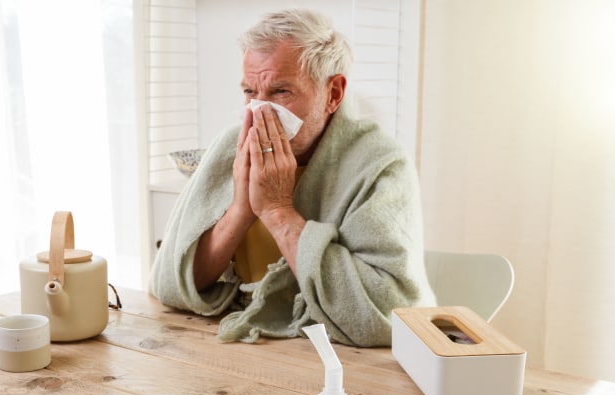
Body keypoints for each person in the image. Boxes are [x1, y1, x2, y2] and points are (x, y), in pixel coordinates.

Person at [149, 9, 434, 346]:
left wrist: (277, 210)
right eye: (249, 91)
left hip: (341, 358)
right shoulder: (230, 147)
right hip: (236, 342)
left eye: (280, 92)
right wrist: (241, 209)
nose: (259, 110)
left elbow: (385, 315)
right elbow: (168, 284)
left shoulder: (380, 164)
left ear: (334, 94)